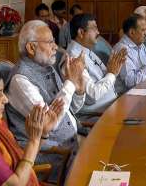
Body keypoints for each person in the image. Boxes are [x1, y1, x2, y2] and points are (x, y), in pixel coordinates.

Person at [6, 20, 86, 182]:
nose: (55, 47)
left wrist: (79, 88)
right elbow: (51, 124)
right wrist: (70, 83)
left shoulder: (47, 67)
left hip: (72, 145)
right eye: (50, 42)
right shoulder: (20, 80)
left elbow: (72, 109)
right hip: (53, 157)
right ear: (31, 47)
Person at [0, 67, 62, 185]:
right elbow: (16, 183)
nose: (6, 99)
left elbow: (21, 160)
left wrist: (42, 133)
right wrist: (34, 141)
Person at [66, 14, 127, 120]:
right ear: (81, 32)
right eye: (94, 28)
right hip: (97, 115)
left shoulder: (86, 50)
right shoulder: (75, 58)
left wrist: (111, 70)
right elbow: (92, 96)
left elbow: (106, 77)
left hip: (111, 106)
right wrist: (111, 74)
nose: (98, 32)